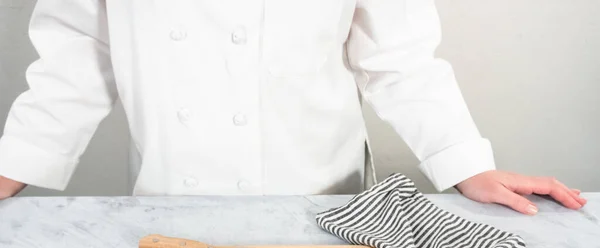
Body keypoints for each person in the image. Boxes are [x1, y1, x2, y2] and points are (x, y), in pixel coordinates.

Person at [0, 1, 586, 214]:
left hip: (326, 206)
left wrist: (464, 161)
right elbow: (78, 53)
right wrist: (14, 161)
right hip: (170, 205)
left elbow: (398, 55)